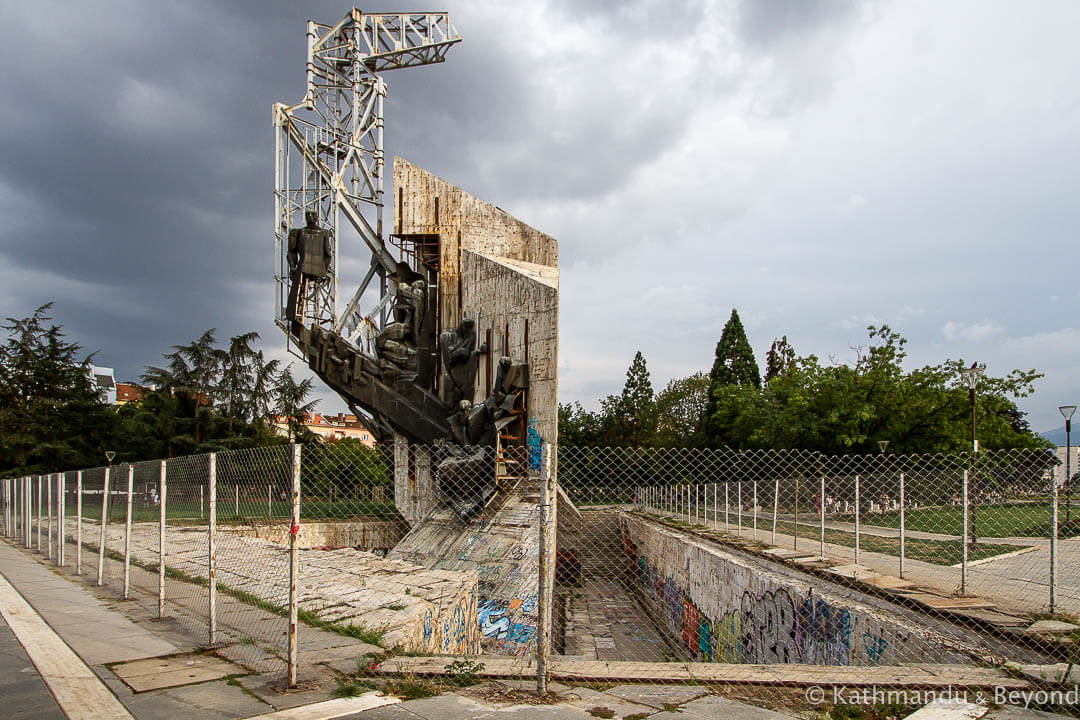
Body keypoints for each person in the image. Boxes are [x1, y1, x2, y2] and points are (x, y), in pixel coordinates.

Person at [285, 210, 332, 329]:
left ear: (317, 217)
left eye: (313, 215)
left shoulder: (323, 233)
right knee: (298, 294)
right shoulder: (299, 232)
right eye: (308, 215)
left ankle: (295, 315)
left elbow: (327, 254)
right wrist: (293, 266)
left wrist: (324, 269)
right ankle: (295, 315)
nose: (310, 217)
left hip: (310, 268)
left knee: (298, 293)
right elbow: (291, 252)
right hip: (309, 267)